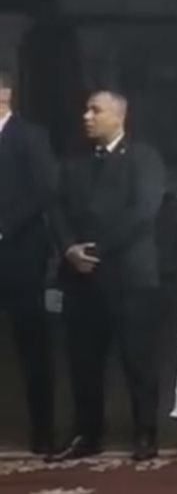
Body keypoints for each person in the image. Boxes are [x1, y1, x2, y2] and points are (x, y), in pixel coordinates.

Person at [50, 90, 165, 464]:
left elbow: (143, 212)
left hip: (130, 278)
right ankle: (87, 433)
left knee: (138, 361)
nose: (87, 116)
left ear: (119, 116)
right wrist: (69, 248)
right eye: (86, 110)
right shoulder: (73, 161)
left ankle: (145, 433)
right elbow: (57, 209)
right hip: (80, 279)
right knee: (83, 363)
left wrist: (96, 250)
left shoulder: (143, 158)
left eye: (95, 110)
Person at [0, 67, 57, 455]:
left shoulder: (30, 136)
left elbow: (43, 190)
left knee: (32, 345)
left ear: (5, 94)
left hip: (20, 254)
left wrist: (3, 228)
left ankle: (43, 431)